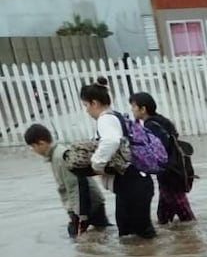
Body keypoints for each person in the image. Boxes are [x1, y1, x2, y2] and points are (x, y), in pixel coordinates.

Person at [80, 83, 156, 239]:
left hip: (132, 184)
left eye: (86, 105)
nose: (86, 110)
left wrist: (96, 165)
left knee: (139, 236)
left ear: (94, 103)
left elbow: (111, 141)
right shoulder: (116, 116)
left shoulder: (105, 119)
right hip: (135, 182)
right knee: (132, 236)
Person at [23, 123, 111, 238]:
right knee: (102, 231)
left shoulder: (60, 157)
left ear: (41, 143)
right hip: (91, 200)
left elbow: (75, 185)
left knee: (77, 238)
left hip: (85, 204)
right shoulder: (58, 153)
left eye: (33, 147)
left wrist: (79, 213)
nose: (33, 150)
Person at [129, 92, 196, 225]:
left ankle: (193, 235)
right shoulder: (161, 120)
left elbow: (159, 150)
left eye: (134, 106)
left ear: (143, 109)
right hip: (175, 169)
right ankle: (169, 232)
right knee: (164, 215)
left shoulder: (151, 126)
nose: (132, 109)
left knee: (185, 215)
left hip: (169, 172)